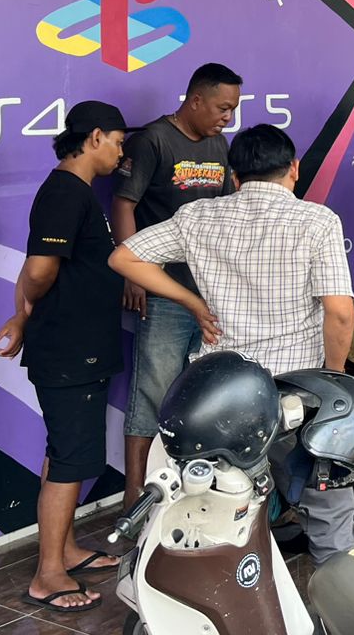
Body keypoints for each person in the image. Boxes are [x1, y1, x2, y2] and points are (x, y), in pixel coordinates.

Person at [109, 124, 354, 565]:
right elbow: (339, 312)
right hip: (294, 394)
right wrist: (334, 377)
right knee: (328, 510)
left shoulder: (198, 216)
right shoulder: (317, 221)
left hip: (220, 400)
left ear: (234, 175)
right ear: (294, 169)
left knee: (223, 511)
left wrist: (191, 301)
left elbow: (123, 256)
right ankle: (340, 594)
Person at [0, 102, 132, 614]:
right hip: (71, 350)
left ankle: (66, 550)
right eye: (118, 142)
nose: (121, 154)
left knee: (64, 453)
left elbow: (38, 268)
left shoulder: (76, 193)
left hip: (80, 347)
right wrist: (27, 313)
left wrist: (22, 315)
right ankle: (48, 574)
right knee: (71, 459)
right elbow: (38, 269)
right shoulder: (64, 192)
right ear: (94, 137)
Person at [112, 61, 242, 505]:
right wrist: (135, 271)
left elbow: (225, 210)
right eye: (222, 108)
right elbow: (124, 204)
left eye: (233, 109)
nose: (228, 118)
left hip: (210, 290)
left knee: (203, 393)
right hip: (164, 291)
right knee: (153, 391)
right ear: (196, 100)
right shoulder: (153, 140)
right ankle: (135, 496)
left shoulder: (219, 144)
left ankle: (188, 488)